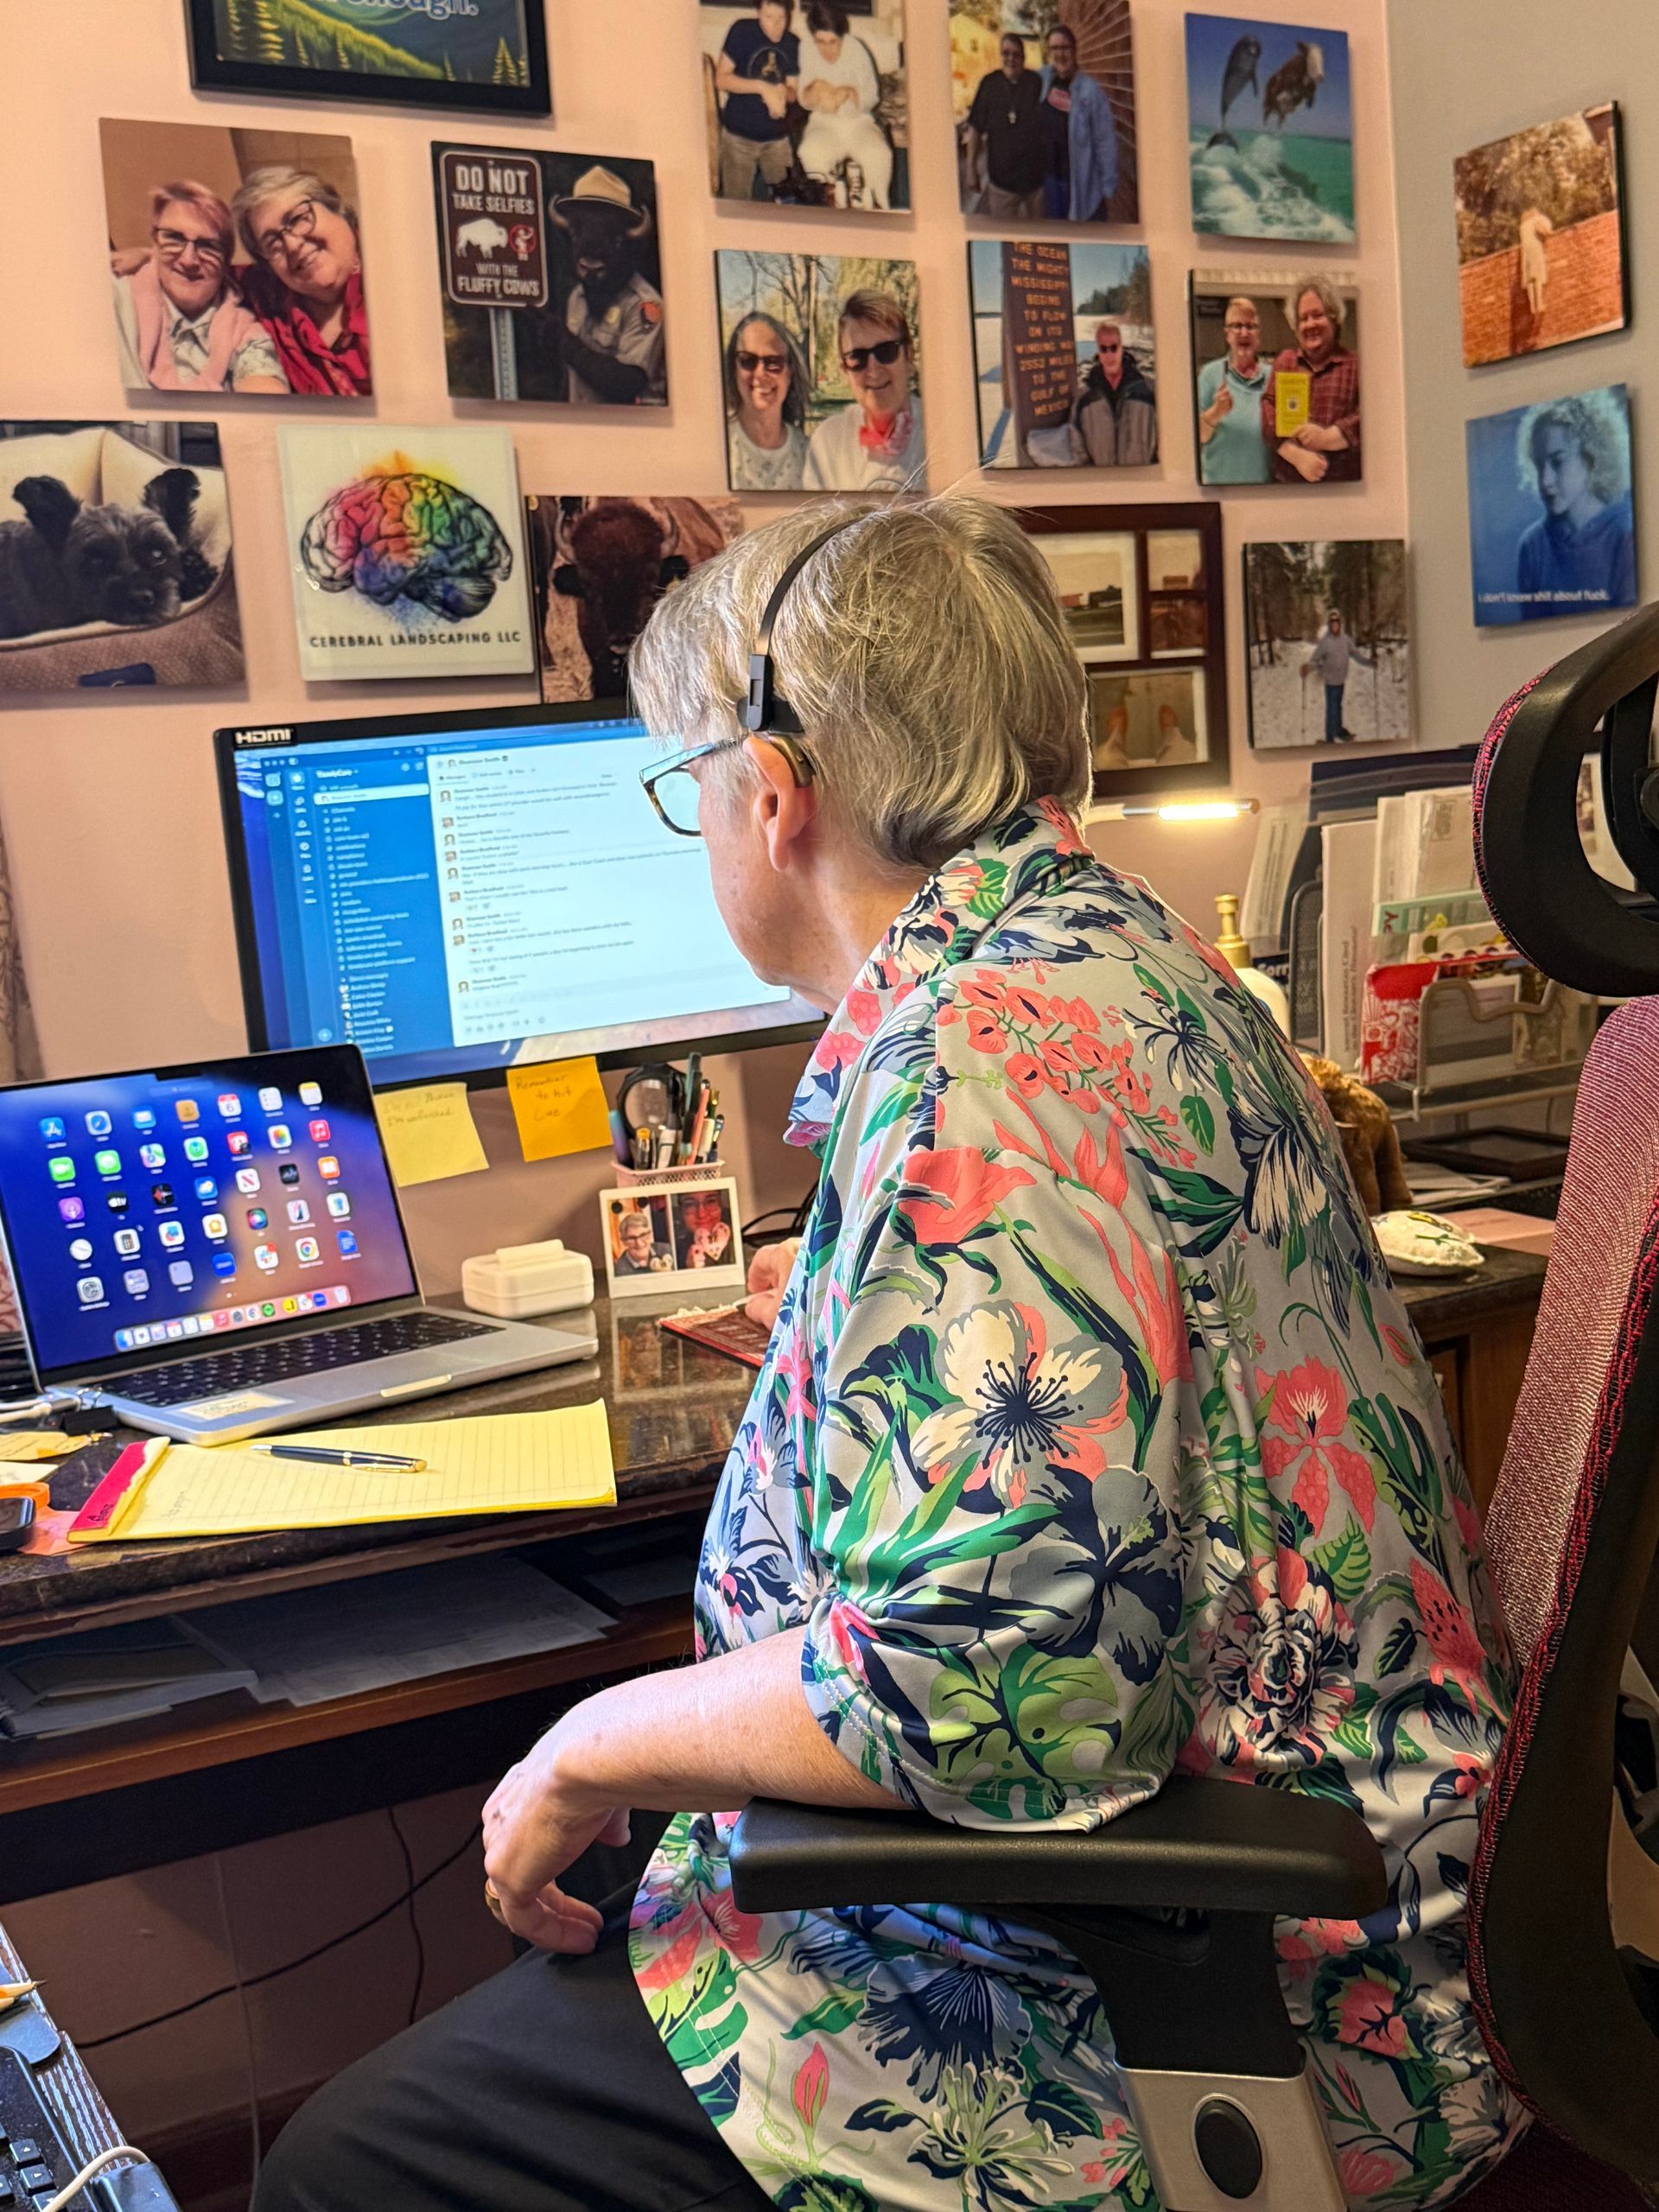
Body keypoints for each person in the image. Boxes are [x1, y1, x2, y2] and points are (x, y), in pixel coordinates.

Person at [256, 494, 1522, 2212]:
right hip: (1323, 1886)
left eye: (684, 785)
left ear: (771, 796)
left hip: (1202, 1988)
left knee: (353, 2156)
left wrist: (596, 1740)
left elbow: (997, 1676)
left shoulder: (983, 1072)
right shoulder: (1109, 954)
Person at [111, 181, 287, 394]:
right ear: (155, 243)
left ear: (226, 261)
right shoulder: (112, 300)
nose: (189, 260)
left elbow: (265, 405)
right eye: (174, 238)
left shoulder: (243, 331)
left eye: (208, 246)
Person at [231, 166, 371, 397]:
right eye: (272, 241)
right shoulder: (269, 299)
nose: (292, 245)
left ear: (338, 211)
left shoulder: (396, 268)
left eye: (297, 219)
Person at [547, 166, 665, 407]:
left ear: (627, 243)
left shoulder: (644, 304)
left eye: (613, 237)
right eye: (577, 232)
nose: (591, 252)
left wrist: (567, 345)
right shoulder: (577, 297)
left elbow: (628, 384)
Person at [1515, 393, 1637, 619]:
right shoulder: (1532, 546)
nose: (1545, 481)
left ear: (1590, 458)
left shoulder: (1624, 534)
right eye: (1539, 465)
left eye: (1557, 462)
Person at [803, 289, 925, 491]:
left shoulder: (942, 432)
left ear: (909, 356)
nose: (873, 368)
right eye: (858, 357)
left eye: (886, 351)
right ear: (845, 369)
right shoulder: (826, 443)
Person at [1262, 273, 1360, 484]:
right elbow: (1268, 411)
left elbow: (1368, 418)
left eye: (1317, 315)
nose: (1310, 324)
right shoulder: (1285, 363)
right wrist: (1296, 456)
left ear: (1334, 318)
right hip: (1286, 488)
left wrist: (1327, 438)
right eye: (1303, 318)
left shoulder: (1355, 365)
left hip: (1344, 492)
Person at [796, 3, 893, 209]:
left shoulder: (856, 49)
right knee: (809, 151)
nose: (827, 49)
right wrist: (814, 89)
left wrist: (850, 92)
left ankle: (875, 205)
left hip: (858, 122)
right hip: (824, 123)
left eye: (833, 42)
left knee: (878, 155)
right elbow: (803, 99)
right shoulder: (806, 48)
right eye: (820, 41)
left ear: (842, 37)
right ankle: (832, 202)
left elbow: (872, 96)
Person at [715, 0, 800, 202]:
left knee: (788, 204)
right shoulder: (742, 31)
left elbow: (793, 92)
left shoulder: (793, 43)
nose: (776, 25)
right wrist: (763, 88)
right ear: (758, 12)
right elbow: (721, 79)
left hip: (777, 139)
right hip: (739, 138)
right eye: (769, 17)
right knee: (735, 205)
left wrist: (782, 94)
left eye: (782, 18)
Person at [963, 32, 1047, 219]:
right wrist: (971, 168)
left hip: (1035, 184)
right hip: (1002, 184)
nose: (1011, 59)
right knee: (1005, 238)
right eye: (1006, 53)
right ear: (1001, 55)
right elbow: (975, 128)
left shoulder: (1035, 82)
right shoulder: (989, 84)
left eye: (1016, 54)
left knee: (1039, 237)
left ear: (1023, 58)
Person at [1040, 22, 1118, 221]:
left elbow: (1105, 142)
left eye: (1065, 47)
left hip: (1080, 184)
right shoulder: (1043, 82)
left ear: (1074, 51)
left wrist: (1107, 187)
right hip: (1049, 181)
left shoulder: (1091, 92)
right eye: (1055, 48)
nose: (1060, 53)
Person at [722, 313, 809, 491]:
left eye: (773, 362)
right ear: (733, 368)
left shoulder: (810, 455)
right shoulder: (716, 447)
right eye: (748, 361)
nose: (761, 373)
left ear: (790, 373)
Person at [1196, 294, 1271, 484]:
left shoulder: (1274, 377)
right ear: (1227, 334)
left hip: (1264, 491)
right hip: (1218, 490)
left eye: (1250, 326)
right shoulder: (1209, 374)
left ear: (1259, 336)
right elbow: (1198, 437)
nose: (1244, 333)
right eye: (1237, 326)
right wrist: (1215, 412)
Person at [1069, 320, 1158, 466]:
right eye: (1104, 349)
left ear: (1122, 348)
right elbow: (1077, 447)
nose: (1109, 355)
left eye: (1113, 348)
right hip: (1102, 485)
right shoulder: (1084, 398)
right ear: (1098, 351)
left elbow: (1166, 440)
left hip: (1143, 482)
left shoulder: (1149, 391)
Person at [1302, 607, 1362, 741]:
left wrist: (1369, 663)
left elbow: (1356, 655)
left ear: (1340, 624)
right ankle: (1330, 738)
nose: (1335, 625)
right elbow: (1315, 660)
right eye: (1332, 622)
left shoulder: (1346, 640)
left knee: (1338, 707)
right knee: (1331, 710)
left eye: (1337, 622)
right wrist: (1308, 667)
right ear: (1330, 624)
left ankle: (1339, 731)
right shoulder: (1325, 642)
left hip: (1341, 681)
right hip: (1330, 682)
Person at [1518, 206, 1554, 323]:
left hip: (1525, 251)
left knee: (1529, 279)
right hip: (1535, 248)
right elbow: (1542, 230)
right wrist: (1549, 233)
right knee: (1537, 276)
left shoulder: (1523, 226)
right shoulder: (1536, 220)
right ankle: (1539, 304)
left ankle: (1532, 307)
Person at [612, 1208, 671, 1276]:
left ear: (650, 1234)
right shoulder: (619, 1271)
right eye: (632, 1238)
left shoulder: (668, 1250)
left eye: (643, 1235)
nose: (639, 1243)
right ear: (624, 1241)